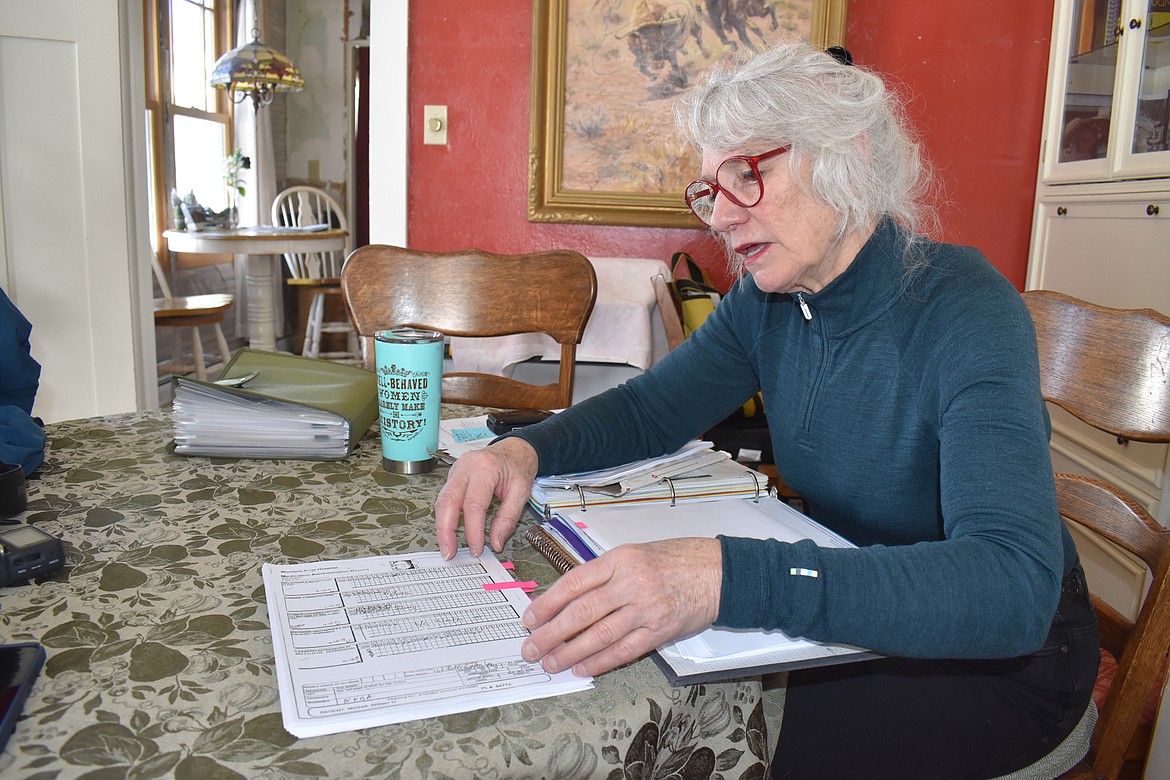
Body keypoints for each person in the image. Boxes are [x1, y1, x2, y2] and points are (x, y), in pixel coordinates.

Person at [434, 41, 1099, 779]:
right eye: (711, 189)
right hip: (855, 607)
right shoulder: (771, 301)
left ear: (847, 155)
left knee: (701, 737)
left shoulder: (965, 310)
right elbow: (651, 411)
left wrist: (721, 576)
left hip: (998, 664)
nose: (719, 215)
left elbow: (1009, 589)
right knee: (637, 680)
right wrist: (520, 452)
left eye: (747, 175)